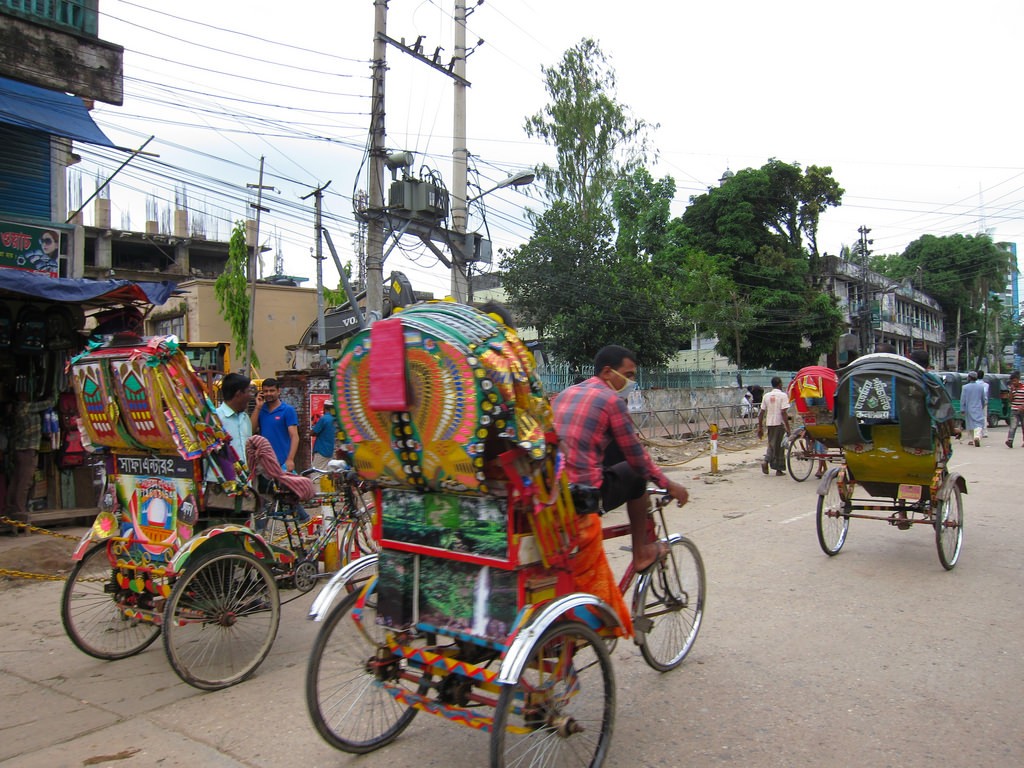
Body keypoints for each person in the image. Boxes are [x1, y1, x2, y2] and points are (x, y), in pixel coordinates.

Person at [552, 344, 689, 572]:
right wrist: (669, 485)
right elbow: (637, 457)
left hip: (557, 488)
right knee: (636, 474)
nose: (631, 382)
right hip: (583, 495)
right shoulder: (611, 401)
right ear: (607, 372)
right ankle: (641, 552)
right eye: (627, 375)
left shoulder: (566, 393)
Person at [3, 388, 52, 533]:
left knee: (17, 480)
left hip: (20, 449)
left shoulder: (18, 410)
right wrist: (53, 393)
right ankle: (19, 510)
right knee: (25, 481)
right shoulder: (25, 407)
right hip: (28, 450)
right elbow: (49, 403)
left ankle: (10, 506)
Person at [250, 378, 298, 472]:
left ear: (278, 391)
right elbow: (251, 430)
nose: (268, 394)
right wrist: (258, 407)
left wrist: (290, 459)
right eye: (265, 391)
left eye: (272, 391)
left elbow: (294, 436)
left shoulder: (287, 410)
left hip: (282, 463)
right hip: (264, 462)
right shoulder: (260, 410)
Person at [758, 376, 790, 476]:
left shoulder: (766, 396)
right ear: (780, 384)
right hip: (779, 423)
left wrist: (760, 427)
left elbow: (761, 413)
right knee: (778, 446)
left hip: (769, 423)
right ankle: (769, 463)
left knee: (772, 444)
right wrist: (788, 427)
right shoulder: (783, 395)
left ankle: (774, 466)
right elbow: (783, 412)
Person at [960, 370, 987, 447]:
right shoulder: (981, 387)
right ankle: (977, 437)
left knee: (970, 424)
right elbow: (983, 399)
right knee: (978, 423)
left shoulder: (965, 387)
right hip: (978, 407)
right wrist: (982, 406)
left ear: (969, 378)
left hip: (968, 408)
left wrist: (962, 409)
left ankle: (972, 440)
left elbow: (963, 399)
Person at [310, 400, 337, 471]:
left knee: (317, 473)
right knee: (328, 474)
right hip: (331, 451)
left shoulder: (324, 418)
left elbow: (313, 433)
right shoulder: (335, 420)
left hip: (321, 450)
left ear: (324, 408)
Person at [1006, 371, 1024, 448]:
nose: (1014, 382)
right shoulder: (1012, 388)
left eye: (1015, 381)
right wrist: (1011, 391)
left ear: (1018, 380)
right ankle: (1010, 440)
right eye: (1012, 381)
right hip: (1014, 410)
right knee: (1013, 425)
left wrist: (1022, 406)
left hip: (1023, 410)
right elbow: (1010, 400)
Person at [976, 369, 990, 438]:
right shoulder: (986, 385)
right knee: (984, 417)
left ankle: (977, 433)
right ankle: (984, 432)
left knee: (976, 417)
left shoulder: (974, 384)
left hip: (975, 403)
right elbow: (985, 393)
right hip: (984, 402)